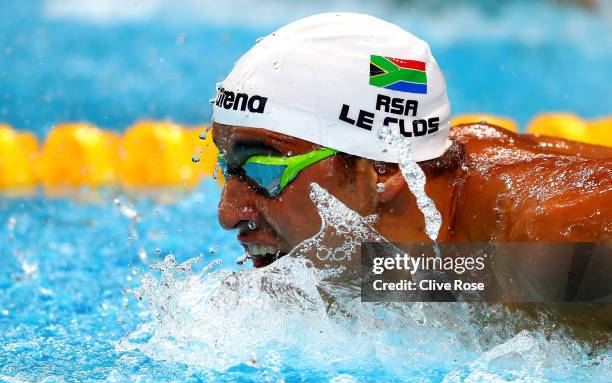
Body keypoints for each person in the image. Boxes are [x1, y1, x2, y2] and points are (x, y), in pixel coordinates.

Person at [211, 13, 612, 323]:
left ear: (383, 169)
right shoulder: (437, 251)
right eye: (228, 168)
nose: (228, 214)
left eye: (264, 170)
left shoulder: (555, 246)